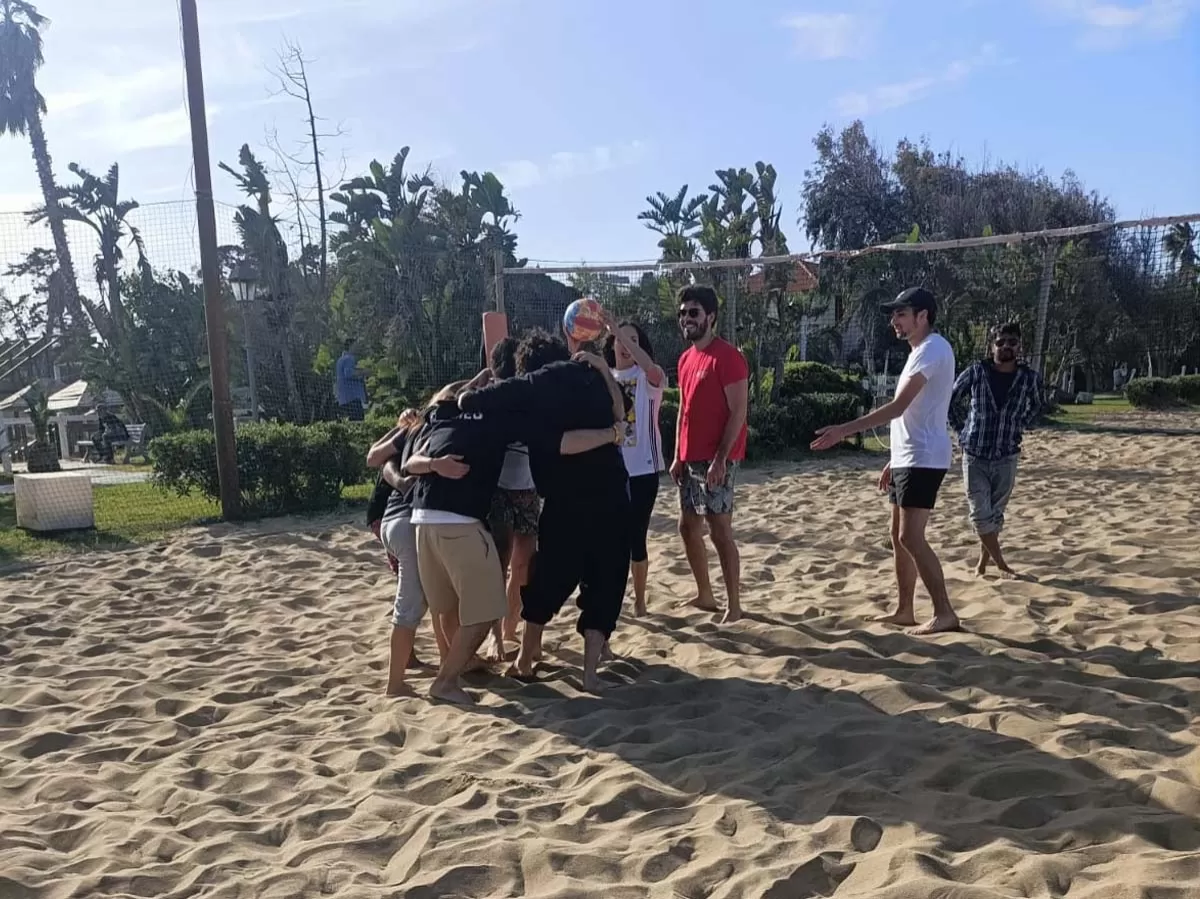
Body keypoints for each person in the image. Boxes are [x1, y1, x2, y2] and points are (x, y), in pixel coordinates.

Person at [402, 375, 623, 704]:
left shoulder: (442, 417)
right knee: (485, 611)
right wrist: (612, 433)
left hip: (422, 520)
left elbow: (409, 462)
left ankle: (460, 668)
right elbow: (560, 441)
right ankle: (447, 679)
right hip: (459, 521)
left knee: (449, 607)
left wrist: (435, 464)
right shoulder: (498, 419)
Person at [458, 328, 630, 693]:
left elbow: (476, 403)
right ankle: (589, 675)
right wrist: (602, 371)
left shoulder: (534, 388)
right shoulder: (590, 376)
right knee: (606, 581)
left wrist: (470, 396)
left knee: (549, 578)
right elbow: (621, 413)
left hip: (566, 502)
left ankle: (524, 659)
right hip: (612, 496)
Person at [810, 286, 960, 636]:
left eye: (901, 313)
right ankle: (905, 609)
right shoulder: (918, 351)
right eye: (894, 314)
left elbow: (898, 408)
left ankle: (945, 611)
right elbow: (911, 415)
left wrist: (843, 430)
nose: (894, 320)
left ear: (923, 316)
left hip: (925, 456)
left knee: (911, 537)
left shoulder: (933, 348)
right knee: (898, 536)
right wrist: (894, 459)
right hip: (910, 456)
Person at [670, 285, 749, 624]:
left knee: (720, 531)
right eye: (683, 313)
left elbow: (738, 412)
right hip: (690, 459)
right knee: (687, 528)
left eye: (694, 312)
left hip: (718, 458)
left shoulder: (727, 356)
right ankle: (705, 594)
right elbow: (683, 410)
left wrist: (721, 459)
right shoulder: (686, 358)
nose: (686, 318)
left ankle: (734, 604)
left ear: (710, 317)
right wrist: (677, 455)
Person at [949, 322, 1043, 578]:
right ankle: (1001, 564)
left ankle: (981, 565)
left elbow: (1037, 405)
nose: (1005, 347)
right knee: (980, 514)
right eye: (1000, 342)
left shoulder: (1028, 378)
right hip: (975, 453)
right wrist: (961, 430)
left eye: (1011, 342)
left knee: (995, 515)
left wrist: (1021, 424)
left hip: (1006, 454)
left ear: (1020, 346)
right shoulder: (976, 372)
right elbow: (952, 399)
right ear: (991, 346)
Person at [601, 312, 667, 617]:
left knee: (635, 538)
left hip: (643, 470)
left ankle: (640, 601)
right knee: (611, 540)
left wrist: (619, 330)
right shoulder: (604, 378)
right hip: (610, 470)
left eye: (633, 340)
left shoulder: (649, 378)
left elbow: (652, 368)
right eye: (620, 340)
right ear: (611, 345)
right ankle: (613, 600)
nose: (625, 345)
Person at [485, 336, 540, 660]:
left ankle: (508, 628)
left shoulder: (532, 394)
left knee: (523, 565)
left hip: (529, 489)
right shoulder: (492, 398)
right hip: (498, 490)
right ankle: (496, 638)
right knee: (499, 565)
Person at [335, 338, 368, 421]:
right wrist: (363, 372)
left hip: (343, 397)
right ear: (350, 346)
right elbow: (349, 373)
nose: (357, 347)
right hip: (352, 397)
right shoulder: (349, 358)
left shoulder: (340, 360)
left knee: (351, 422)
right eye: (355, 345)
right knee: (358, 422)